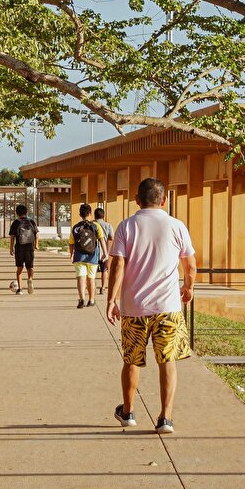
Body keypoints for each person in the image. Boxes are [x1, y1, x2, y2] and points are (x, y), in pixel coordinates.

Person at [106, 177, 196, 434]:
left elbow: (118, 265)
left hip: (134, 307)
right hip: (167, 307)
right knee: (167, 360)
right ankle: (165, 418)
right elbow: (190, 265)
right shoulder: (177, 226)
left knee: (131, 359)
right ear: (164, 200)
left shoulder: (126, 226)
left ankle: (128, 412)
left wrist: (112, 300)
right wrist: (188, 287)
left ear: (137, 200)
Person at [70, 203, 107, 309]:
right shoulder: (96, 226)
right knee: (91, 278)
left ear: (80, 214)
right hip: (92, 256)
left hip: (79, 256)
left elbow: (71, 243)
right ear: (90, 213)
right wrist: (105, 253)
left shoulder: (76, 227)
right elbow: (101, 240)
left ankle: (82, 299)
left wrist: (71, 254)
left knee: (81, 277)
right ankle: (91, 300)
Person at [8, 203, 38, 294]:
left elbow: (12, 237)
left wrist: (11, 248)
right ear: (26, 212)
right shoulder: (31, 221)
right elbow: (36, 234)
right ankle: (30, 279)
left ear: (17, 213)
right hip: (29, 247)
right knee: (30, 267)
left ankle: (20, 289)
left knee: (19, 269)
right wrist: (36, 245)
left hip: (19, 248)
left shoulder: (16, 223)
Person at [94, 206, 114, 295]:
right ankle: (103, 288)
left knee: (92, 271)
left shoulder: (92, 224)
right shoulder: (108, 225)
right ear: (103, 216)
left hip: (93, 252)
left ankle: (93, 287)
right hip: (104, 251)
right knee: (104, 270)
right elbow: (112, 237)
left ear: (94, 216)